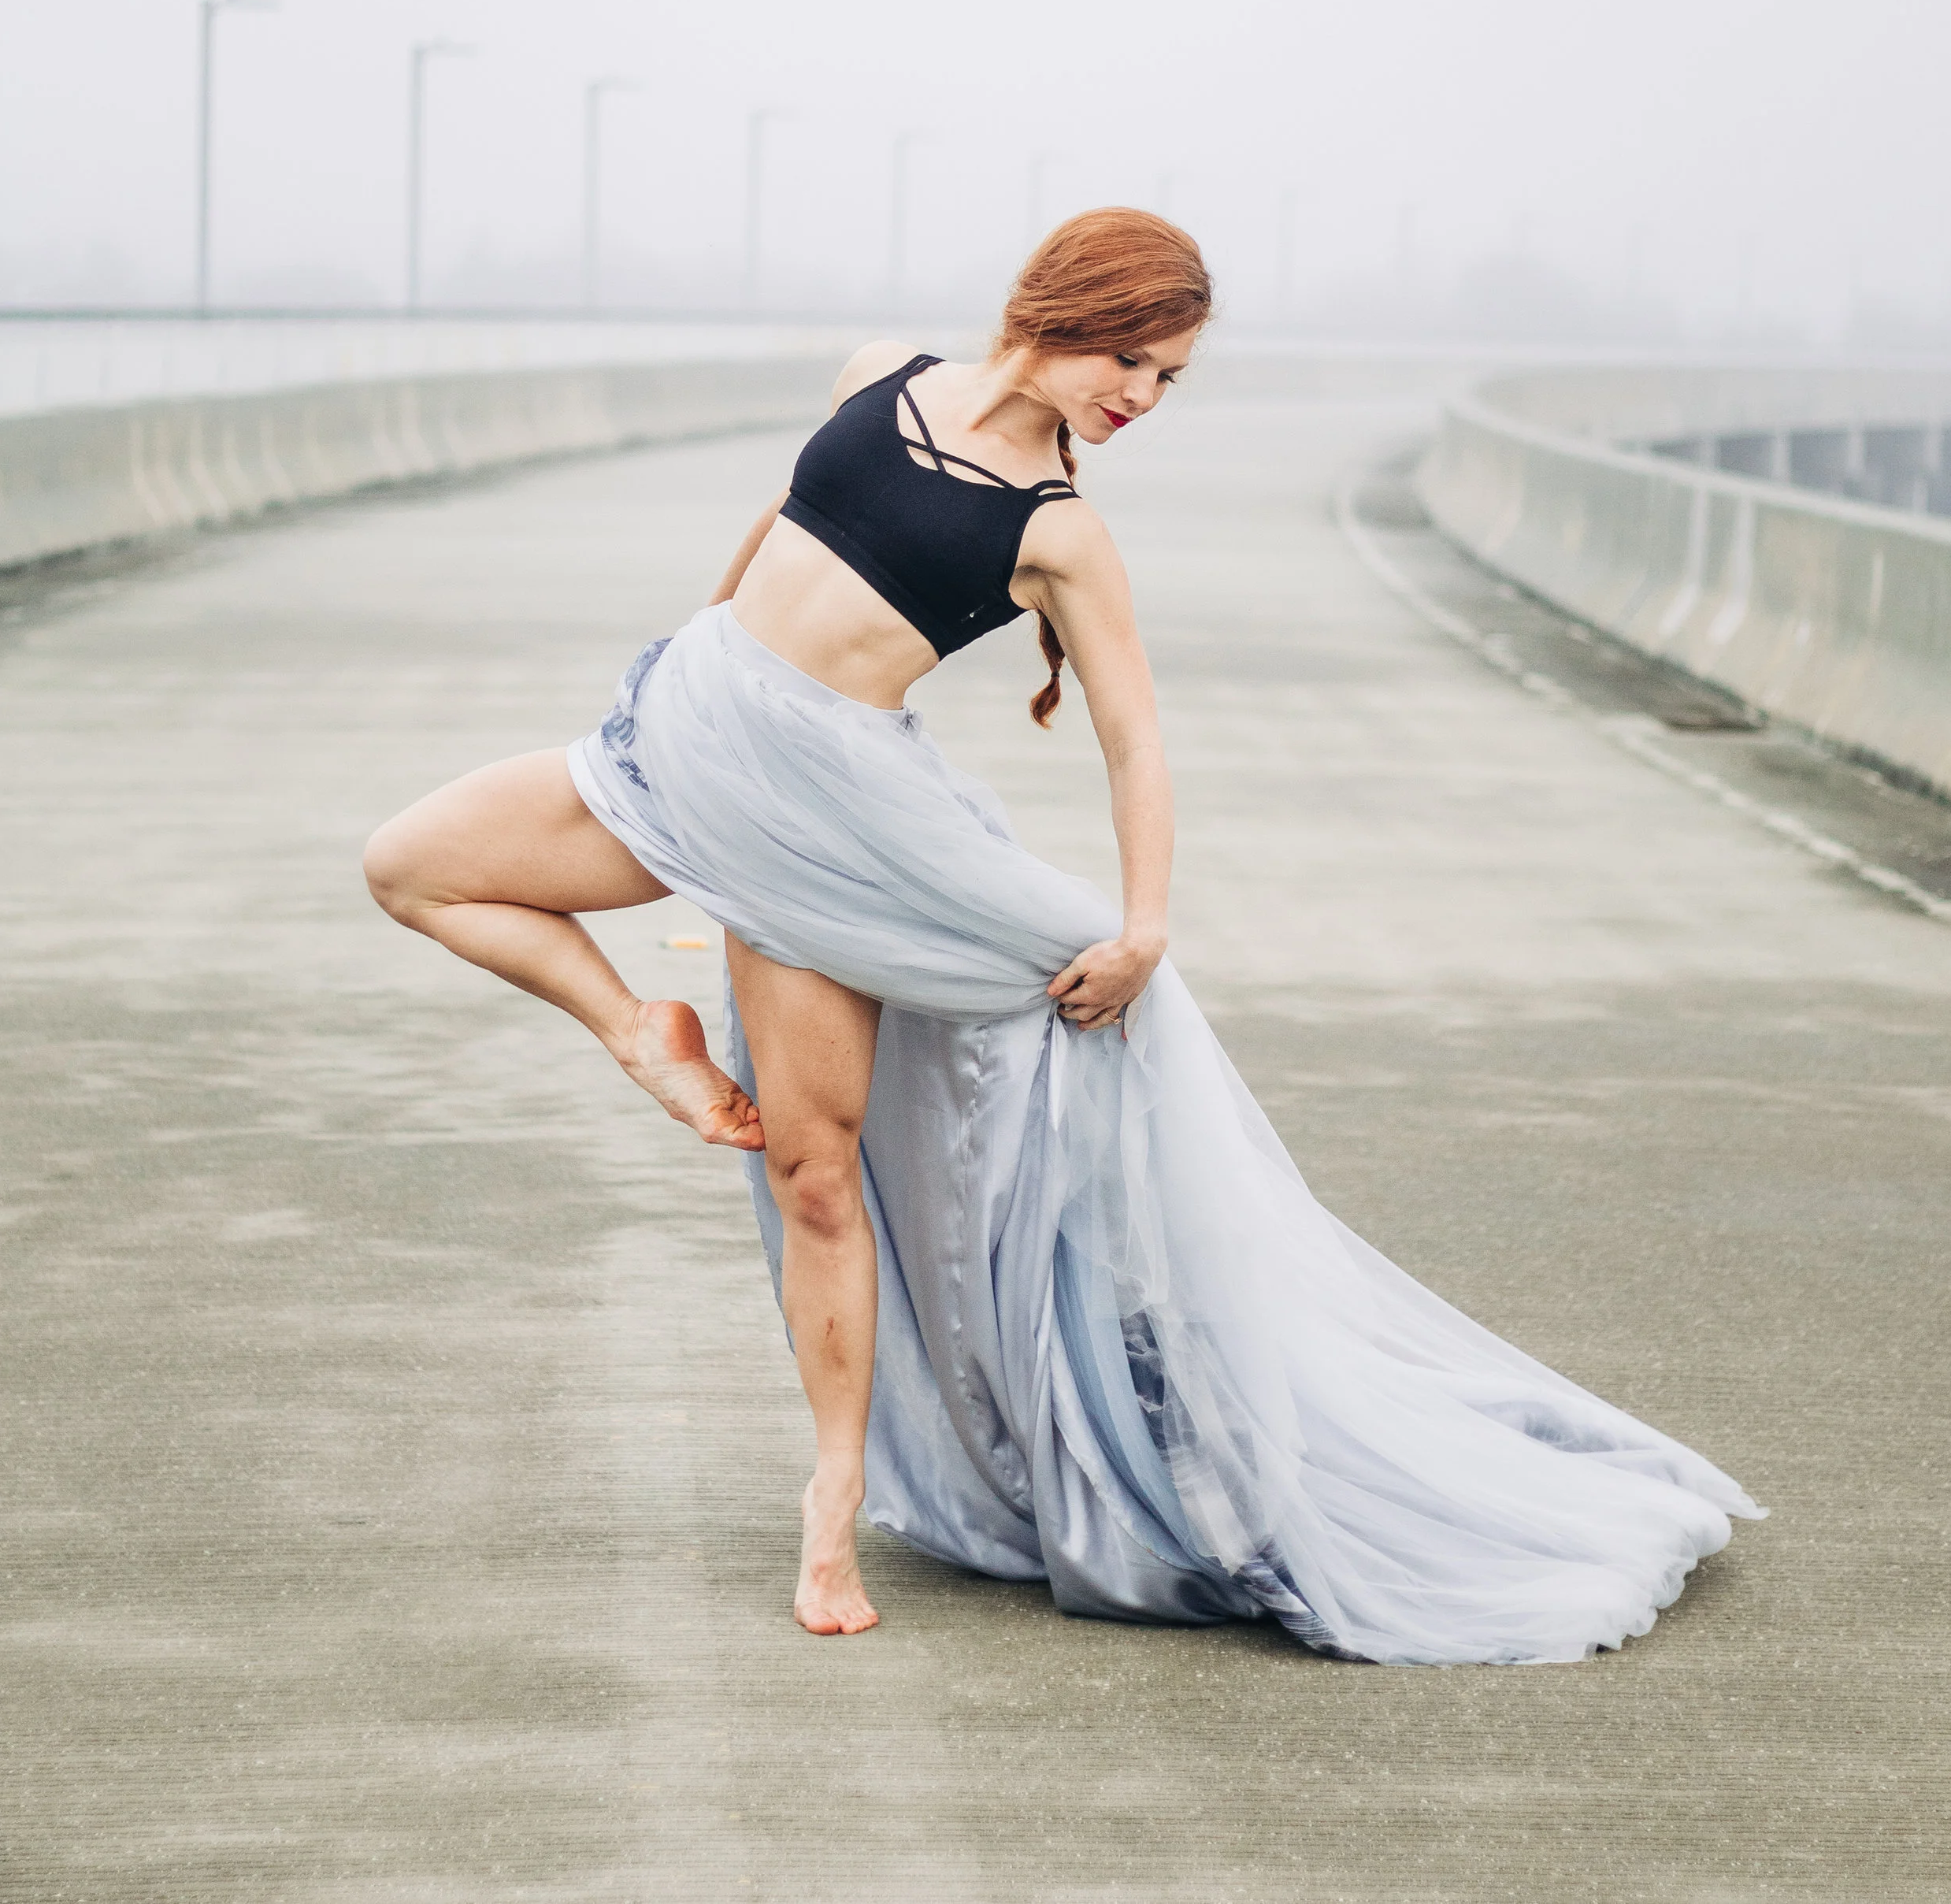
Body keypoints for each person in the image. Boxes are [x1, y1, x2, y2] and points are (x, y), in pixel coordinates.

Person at [365, 207, 1759, 1657]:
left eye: (1166, 380)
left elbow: (1133, 741)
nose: (1141, 400)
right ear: (1066, 307)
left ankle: (833, 1505)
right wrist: (695, 664)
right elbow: (775, 524)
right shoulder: (875, 374)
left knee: (814, 1172)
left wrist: (1146, 927)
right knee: (411, 863)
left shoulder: (1058, 532)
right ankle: (641, 1033)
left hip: (839, 844)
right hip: (685, 740)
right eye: (1135, 361)